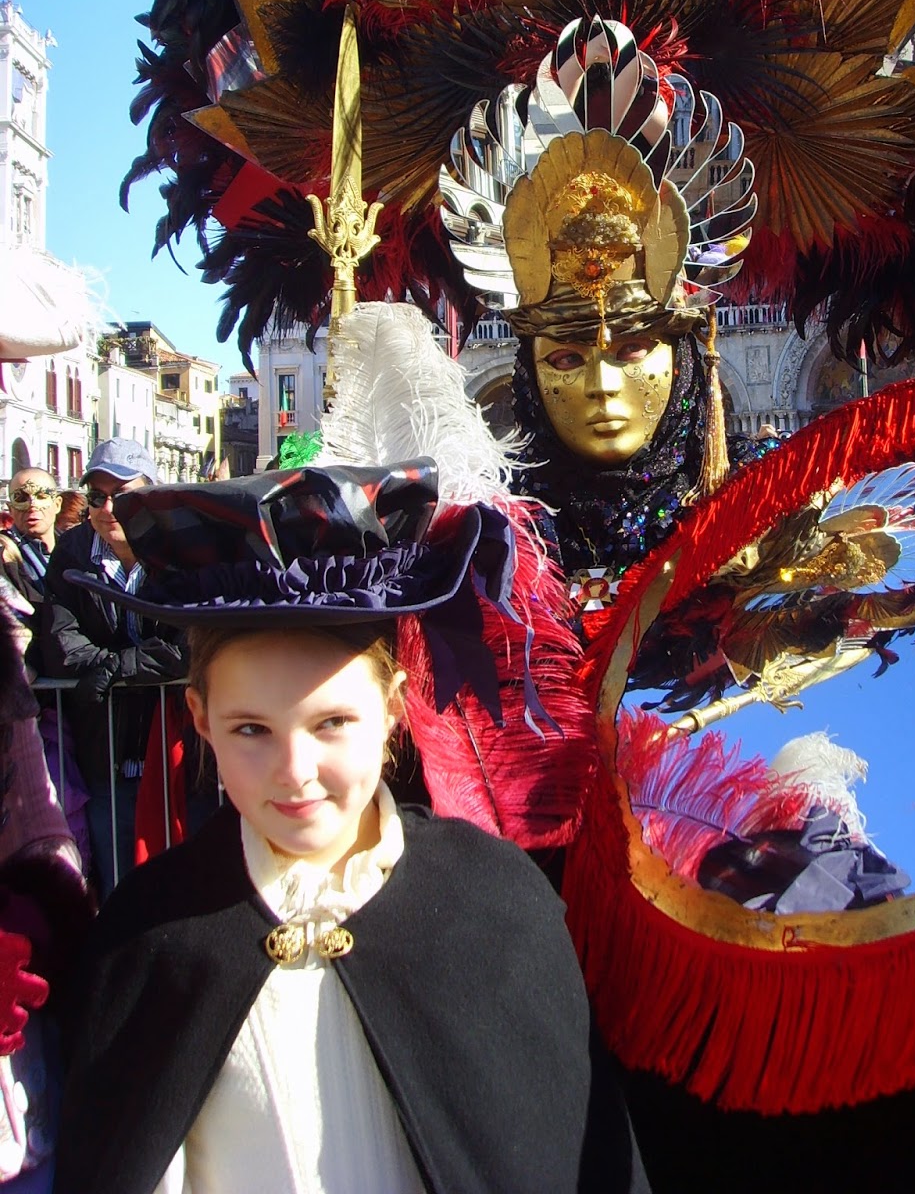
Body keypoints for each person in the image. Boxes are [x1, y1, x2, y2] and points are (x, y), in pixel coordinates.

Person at [53, 463, 648, 1194]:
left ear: (394, 706)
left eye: (332, 722)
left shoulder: (494, 901)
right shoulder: (146, 937)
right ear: (200, 719)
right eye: (251, 729)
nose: (295, 773)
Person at [40, 440, 186, 897]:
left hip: (179, 746)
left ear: (150, 496)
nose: (108, 509)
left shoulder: (181, 547)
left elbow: (190, 643)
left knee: (182, 881)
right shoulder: (72, 551)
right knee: (118, 886)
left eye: (122, 496)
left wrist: (115, 667)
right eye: (97, 497)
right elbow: (60, 645)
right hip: (104, 749)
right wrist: (122, 668)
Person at [0, 470, 61, 673]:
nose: (32, 505)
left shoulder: (79, 549)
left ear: (57, 504)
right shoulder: (4, 555)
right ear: (10, 508)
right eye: (21, 498)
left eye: (42, 496)